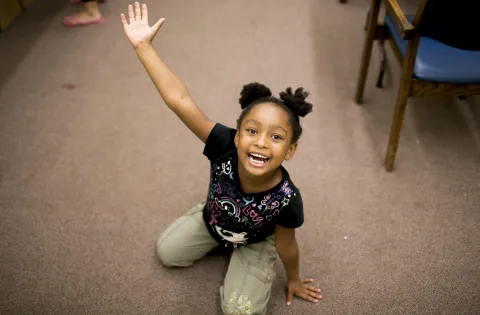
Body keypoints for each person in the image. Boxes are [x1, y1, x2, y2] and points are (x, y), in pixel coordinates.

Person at [120, 2, 322, 314]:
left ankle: (247, 259)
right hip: (213, 221)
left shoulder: (287, 199)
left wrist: (293, 279)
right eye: (252, 131)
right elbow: (180, 100)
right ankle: (208, 222)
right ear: (237, 135)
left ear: (290, 151)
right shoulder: (223, 143)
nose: (262, 143)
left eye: (277, 137)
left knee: (239, 312)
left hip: (256, 242)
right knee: (167, 253)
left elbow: (287, 244)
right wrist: (143, 46)